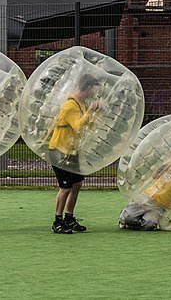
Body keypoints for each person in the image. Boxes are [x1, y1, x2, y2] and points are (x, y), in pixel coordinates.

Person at [48, 73, 100, 234]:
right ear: (88, 87)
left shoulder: (81, 104)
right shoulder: (71, 105)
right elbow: (78, 126)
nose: (95, 93)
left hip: (71, 151)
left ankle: (69, 218)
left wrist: (95, 112)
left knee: (77, 184)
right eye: (94, 89)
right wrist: (90, 111)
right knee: (66, 188)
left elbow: (88, 127)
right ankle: (57, 221)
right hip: (59, 151)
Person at [119, 155, 171, 231]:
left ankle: (134, 222)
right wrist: (170, 162)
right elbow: (155, 175)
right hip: (147, 198)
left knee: (149, 224)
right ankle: (126, 218)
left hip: (159, 207)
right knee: (128, 217)